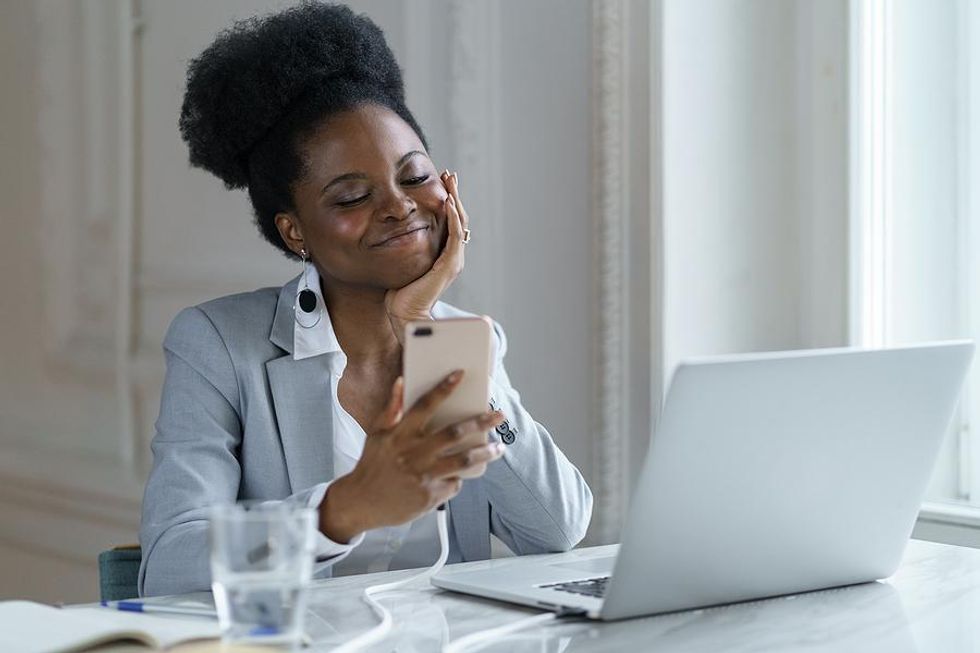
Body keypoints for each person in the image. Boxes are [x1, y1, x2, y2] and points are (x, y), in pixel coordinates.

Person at [138, 2, 593, 597]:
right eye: (352, 196)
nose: (399, 206)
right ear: (294, 230)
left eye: (415, 176)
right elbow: (169, 564)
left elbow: (557, 531)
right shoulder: (219, 346)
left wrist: (424, 328)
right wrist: (342, 511)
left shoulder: (460, 341)